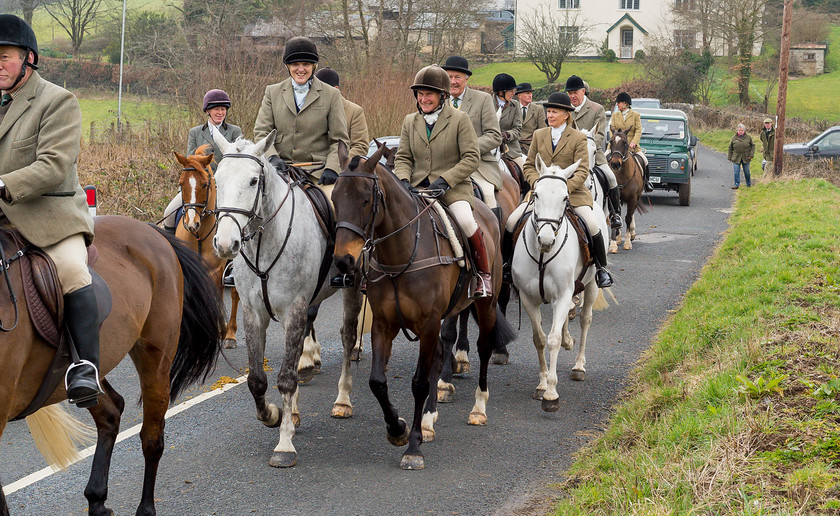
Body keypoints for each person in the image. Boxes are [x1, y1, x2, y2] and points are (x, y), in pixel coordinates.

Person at [0, 15, 101, 407]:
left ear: (29, 59)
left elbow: (53, 164)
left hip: (49, 216)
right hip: (3, 217)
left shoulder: (58, 101)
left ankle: (85, 367)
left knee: (73, 270)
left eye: (5, 57)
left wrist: (5, 185)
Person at [393, 65, 493, 298]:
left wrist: (445, 181)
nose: (423, 98)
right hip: (416, 188)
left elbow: (471, 158)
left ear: (442, 96)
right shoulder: (410, 121)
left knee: (466, 221)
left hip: (452, 190)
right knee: (387, 219)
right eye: (420, 94)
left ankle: (482, 275)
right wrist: (404, 180)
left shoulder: (460, 119)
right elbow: (403, 157)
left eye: (429, 94)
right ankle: (374, 275)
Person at [506, 92, 613, 288]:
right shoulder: (539, 135)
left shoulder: (579, 138)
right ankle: (507, 266)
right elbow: (529, 165)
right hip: (541, 193)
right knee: (512, 221)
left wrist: (564, 187)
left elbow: (582, 170)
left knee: (592, 224)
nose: (550, 115)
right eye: (549, 112)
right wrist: (537, 183)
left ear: (566, 115)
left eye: (555, 112)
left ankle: (601, 268)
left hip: (573, 194)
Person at [254, 36, 348, 197]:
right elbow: (261, 132)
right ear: (287, 66)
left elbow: (340, 140)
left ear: (314, 66)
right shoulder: (272, 92)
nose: (301, 69)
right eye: (295, 64)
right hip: (280, 172)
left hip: (316, 173)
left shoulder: (331, 94)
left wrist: (332, 167)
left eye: (306, 64)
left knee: (336, 207)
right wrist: (272, 157)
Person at [162, 88, 242, 233]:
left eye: (223, 109)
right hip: (197, 186)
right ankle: (172, 249)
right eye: (216, 109)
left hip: (224, 186)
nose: (220, 113)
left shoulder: (235, 131)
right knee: (169, 213)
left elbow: (237, 162)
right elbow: (190, 161)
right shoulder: (195, 132)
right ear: (207, 111)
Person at [441, 56, 503, 217]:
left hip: (477, 165)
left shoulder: (482, 99)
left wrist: (468, 148)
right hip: (443, 165)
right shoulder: (438, 100)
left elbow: (494, 135)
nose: (453, 81)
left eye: (457, 77)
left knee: (488, 194)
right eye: (449, 77)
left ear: (466, 79)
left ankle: (496, 240)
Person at [565, 74, 622, 229]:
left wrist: (585, 147)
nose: (572, 96)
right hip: (570, 156)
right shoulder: (566, 110)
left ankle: (615, 213)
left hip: (594, 154)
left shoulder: (597, 109)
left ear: (583, 91)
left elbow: (600, 135)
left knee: (611, 178)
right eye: (569, 93)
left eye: (575, 93)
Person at [314, 67, 370, 158]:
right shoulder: (309, 109)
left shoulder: (355, 111)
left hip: (343, 168)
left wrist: (339, 162)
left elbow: (361, 146)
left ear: (336, 89)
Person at [610, 92, 653, 192]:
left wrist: (633, 142)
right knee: (604, 158)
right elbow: (611, 129)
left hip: (632, 146)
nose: (617, 104)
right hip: (616, 146)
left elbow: (638, 130)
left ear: (625, 103)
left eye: (619, 102)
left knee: (645, 160)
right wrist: (613, 142)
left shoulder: (635, 115)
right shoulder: (615, 115)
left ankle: (646, 182)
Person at [493, 73, 524, 171]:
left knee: (525, 172)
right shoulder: (486, 103)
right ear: (501, 92)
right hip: (490, 149)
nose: (513, 93)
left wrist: (507, 135)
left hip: (510, 150)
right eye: (511, 91)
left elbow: (518, 129)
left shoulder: (515, 105)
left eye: (514, 90)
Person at [516, 82, 546, 155]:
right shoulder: (513, 108)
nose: (530, 95)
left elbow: (543, 130)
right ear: (519, 96)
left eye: (531, 93)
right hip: (514, 147)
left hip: (531, 147)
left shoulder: (538, 109)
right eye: (527, 93)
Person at [728, 123, 754, 189]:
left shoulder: (748, 137)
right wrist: (729, 157)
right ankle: (736, 184)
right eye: (739, 130)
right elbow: (730, 148)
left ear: (744, 131)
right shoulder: (734, 138)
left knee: (747, 171)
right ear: (737, 130)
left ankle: (748, 184)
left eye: (742, 130)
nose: (740, 131)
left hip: (746, 157)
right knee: (736, 171)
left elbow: (753, 146)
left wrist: (751, 155)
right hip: (736, 157)